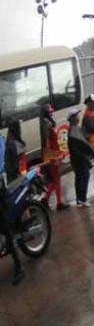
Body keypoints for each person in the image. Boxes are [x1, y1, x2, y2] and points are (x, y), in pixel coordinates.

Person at [0, 120, 24, 285]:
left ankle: (18, 265)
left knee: (3, 225)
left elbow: (2, 164)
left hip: (1, 186)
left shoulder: (2, 141)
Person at [38, 104, 68, 211]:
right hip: (52, 154)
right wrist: (50, 157)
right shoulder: (46, 123)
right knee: (56, 179)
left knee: (55, 179)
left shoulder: (46, 122)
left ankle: (47, 200)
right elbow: (46, 142)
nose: (52, 112)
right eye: (50, 111)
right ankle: (56, 202)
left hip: (54, 152)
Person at [67, 111, 93, 207]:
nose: (78, 118)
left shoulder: (73, 129)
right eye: (76, 116)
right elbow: (83, 143)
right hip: (80, 157)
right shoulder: (74, 130)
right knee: (84, 176)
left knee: (79, 177)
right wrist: (91, 149)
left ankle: (79, 199)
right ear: (72, 118)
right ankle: (82, 199)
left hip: (75, 157)